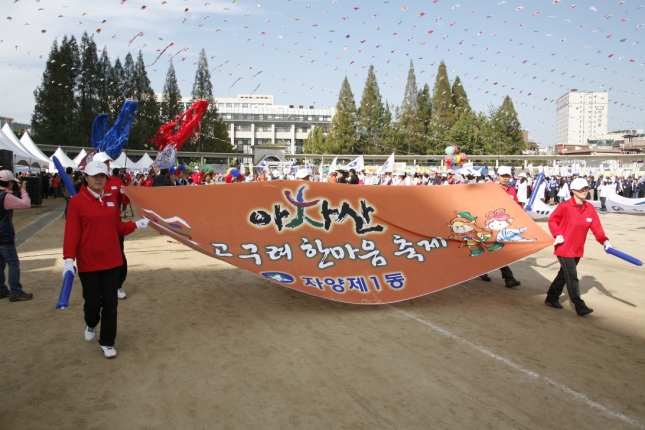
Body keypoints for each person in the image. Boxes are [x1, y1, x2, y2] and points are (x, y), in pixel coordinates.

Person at [63, 161, 149, 358]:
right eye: (95, 176)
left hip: (112, 261)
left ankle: (107, 341)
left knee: (111, 304)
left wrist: (136, 225)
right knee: (92, 303)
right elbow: (72, 233)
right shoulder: (77, 202)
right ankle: (91, 323)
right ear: (86, 177)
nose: (99, 179)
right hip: (89, 262)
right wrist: (69, 259)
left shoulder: (110, 201)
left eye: (102, 176)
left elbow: (116, 227)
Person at [544, 178, 609, 316]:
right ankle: (579, 305)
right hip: (564, 247)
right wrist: (557, 234)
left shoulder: (589, 208)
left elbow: (596, 227)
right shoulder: (564, 206)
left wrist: (604, 241)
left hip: (578, 249)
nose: (584, 192)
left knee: (563, 275)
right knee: (572, 277)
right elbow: (552, 220)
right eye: (581, 190)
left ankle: (551, 298)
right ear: (573, 191)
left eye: (585, 189)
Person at [93, 152, 133, 300]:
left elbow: (125, 201)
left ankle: (117, 286)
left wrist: (126, 192)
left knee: (119, 256)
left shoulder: (116, 182)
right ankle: (100, 286)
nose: (107, 165)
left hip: (115, 227)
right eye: (104, 163)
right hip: (95, 228)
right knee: (97, 256)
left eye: (108, 163)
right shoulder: (90, 182)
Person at [478, 166, 522, 288]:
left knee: (494, 250)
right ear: (497, 176)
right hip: (490, 224)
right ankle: (509, 278)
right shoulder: (490, 188)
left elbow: (517, 206)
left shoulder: (512, 190)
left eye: (507, 176)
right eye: (503, 176)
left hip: (505, 225)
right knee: (499, 251)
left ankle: (481, 270)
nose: (505, 178)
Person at [0, 170, 33, 302]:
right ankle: (15, 291)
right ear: (9, 182)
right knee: (13, 263)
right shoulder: (5, 197)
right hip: (4, 235)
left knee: (0, 263)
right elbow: (26, 204)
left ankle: (1, 289)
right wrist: (23, 190)